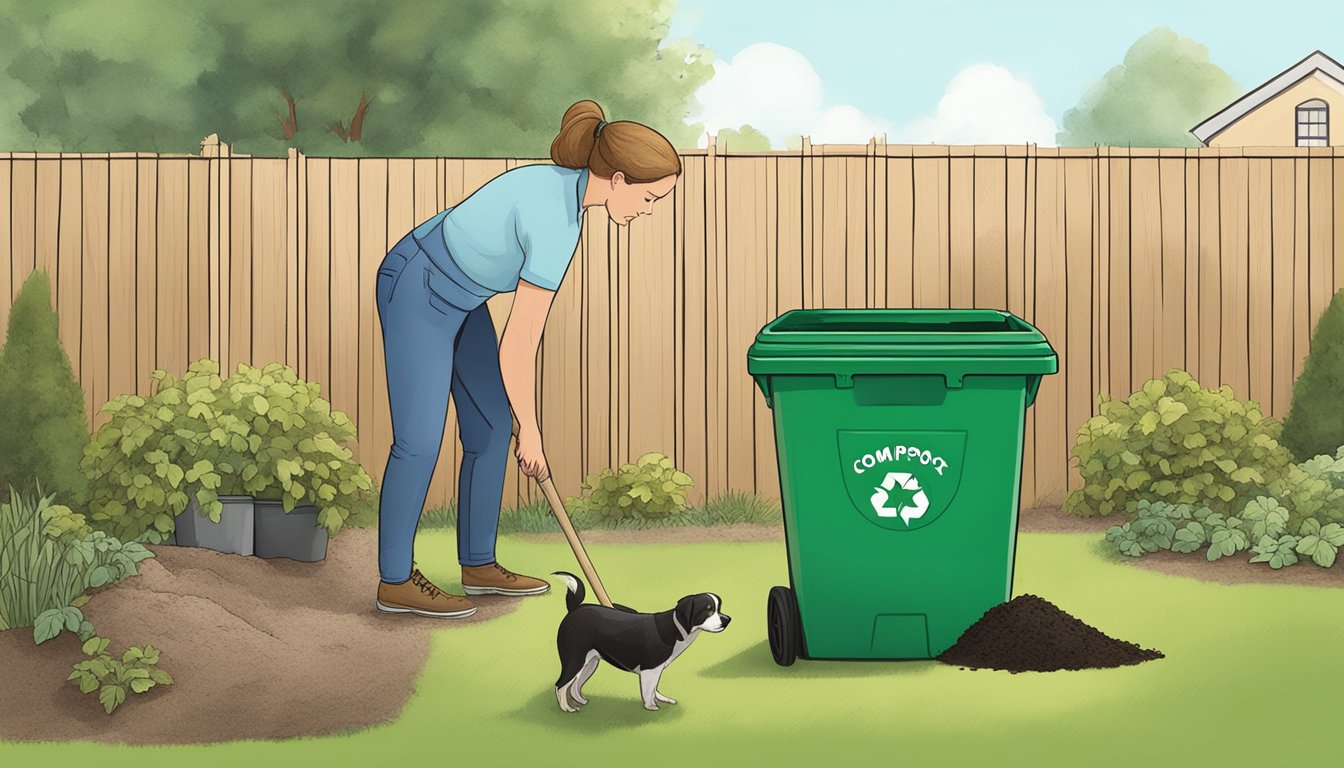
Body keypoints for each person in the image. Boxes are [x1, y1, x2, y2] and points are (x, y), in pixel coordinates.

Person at [373, 100, 681, 618]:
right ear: (620, 178)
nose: (648, 209)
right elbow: (519, 344)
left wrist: (519, 423)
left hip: (462, 297)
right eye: (649, 197)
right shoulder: (554, 220)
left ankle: (478, 565)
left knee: (492, 429)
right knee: (420, 440)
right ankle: (394, 581)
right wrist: (532, 431)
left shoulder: (570, 205)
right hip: (417, 283)